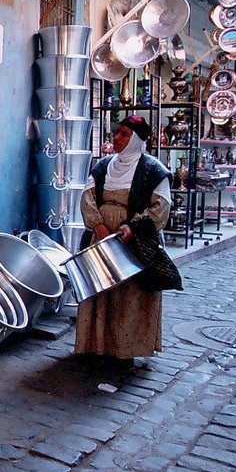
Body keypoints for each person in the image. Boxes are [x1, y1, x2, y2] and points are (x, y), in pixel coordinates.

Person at [75, 115, 180, 360]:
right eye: (117, 133)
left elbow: (160, 207)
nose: (117, 138)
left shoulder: (153, 171)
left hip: (133, 240)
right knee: (100, 290)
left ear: (136, 139)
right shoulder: (103, 166)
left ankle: (125, 350)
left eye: (124, 134)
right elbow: (88, 197)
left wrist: (133, 227)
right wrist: (98, 226)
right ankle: (96, 345)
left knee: (130, 295)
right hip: (102, 237)